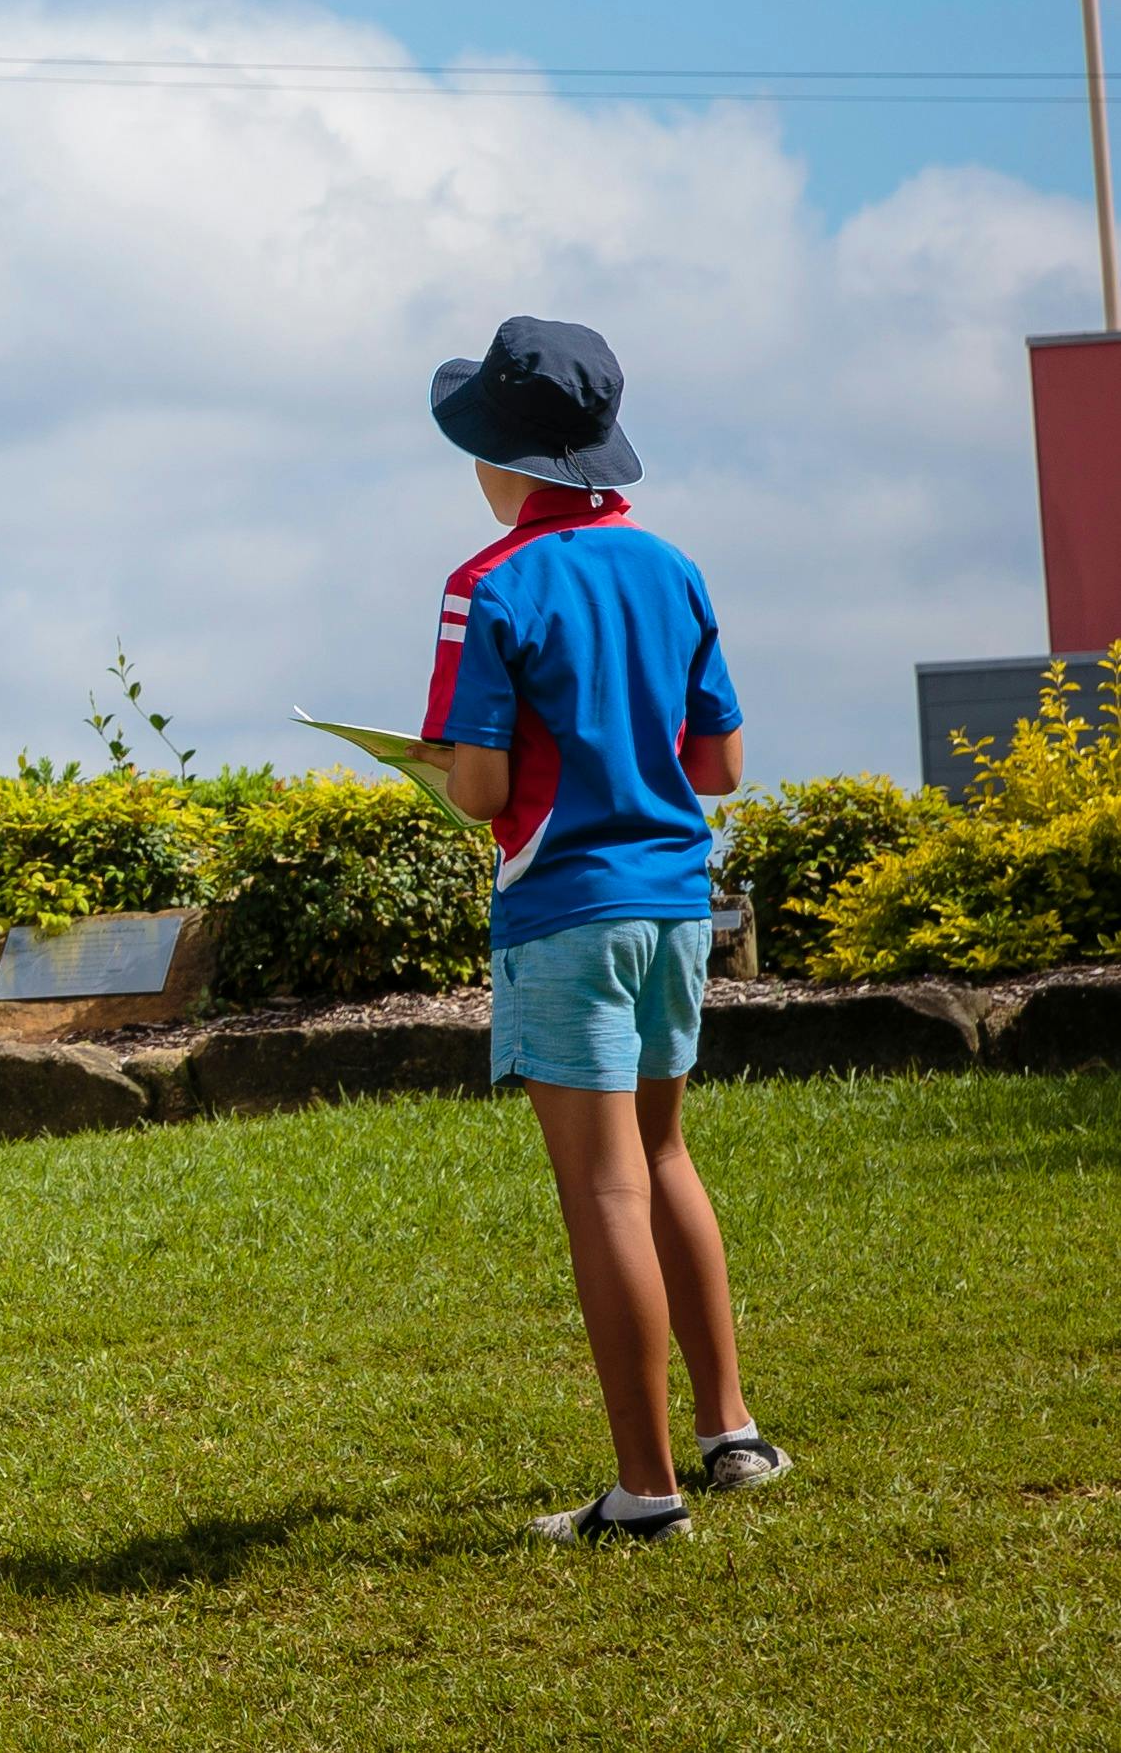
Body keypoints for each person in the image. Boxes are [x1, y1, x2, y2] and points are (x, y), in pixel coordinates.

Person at [407, 317, 778, 1540]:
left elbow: (473, 788)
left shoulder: (487, 586)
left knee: (602, 1193)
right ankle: (733, 1435)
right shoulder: (674, 568)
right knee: (666, 1160)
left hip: (565, 909)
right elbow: (719, 763)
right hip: (676, 906)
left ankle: (645, 1492)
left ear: (503, 462)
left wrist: (448, 766)